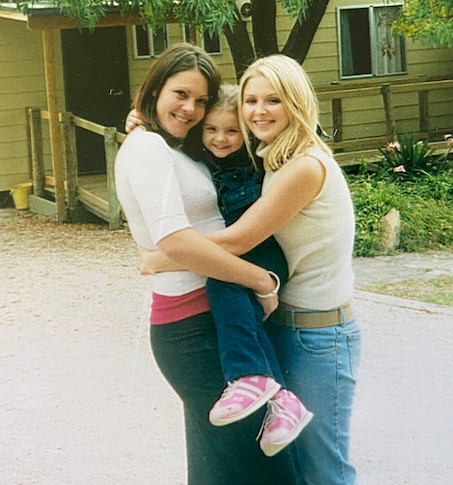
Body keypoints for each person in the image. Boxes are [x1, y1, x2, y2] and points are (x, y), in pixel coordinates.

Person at [141, 54, 361, 484]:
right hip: (285, 322)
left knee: (323, 468)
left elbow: (240, 240)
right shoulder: (272, 158)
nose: (258, 111)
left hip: (318, 335)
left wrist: (165, 256)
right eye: (251, 100)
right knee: (292, 463)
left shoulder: (304, 166)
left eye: (273, 100)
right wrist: (143, 120)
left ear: (296, 102)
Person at [113, 43, 296, 484]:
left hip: (216, 317)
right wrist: (260, 280)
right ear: (154, 88)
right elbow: (174, 240)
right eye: (180, 94)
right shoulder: (148, 148)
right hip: (191, 327)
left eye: (199, 99)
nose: (190, 108)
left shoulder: (176, 149)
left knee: (223, 462)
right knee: (260, 461)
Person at [181, 84, 313, 456]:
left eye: (231, 130)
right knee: (245, 317)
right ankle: (284, 400)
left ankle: (248, 376)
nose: (221, 139)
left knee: (221, 284)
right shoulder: (200, 158)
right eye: (211, 130)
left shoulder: (258, 158)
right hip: (240, 252)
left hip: (266, 252)